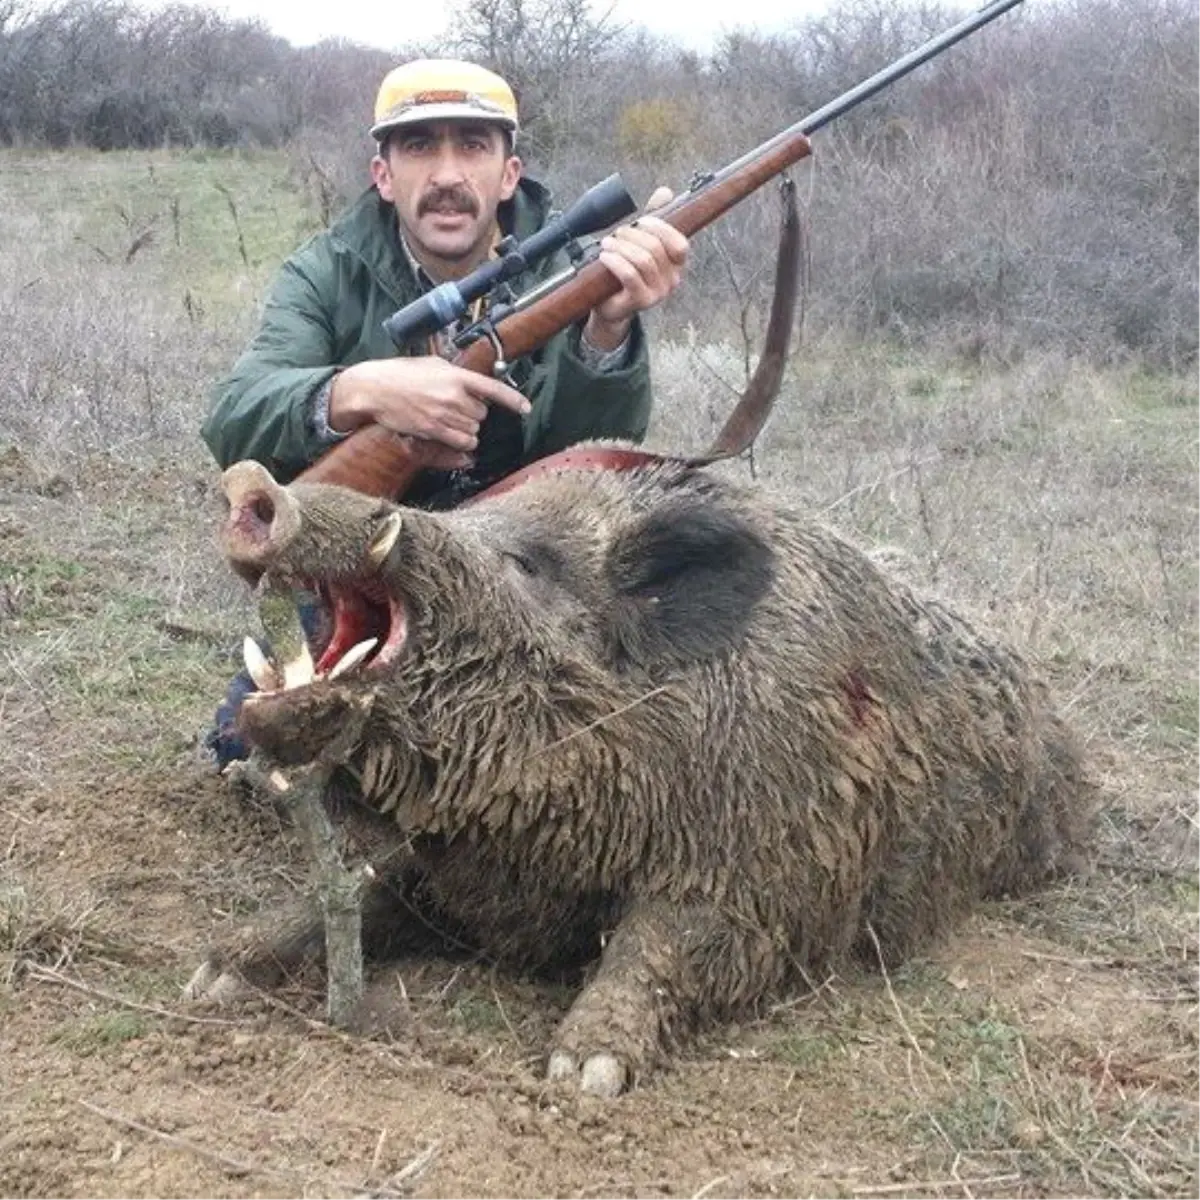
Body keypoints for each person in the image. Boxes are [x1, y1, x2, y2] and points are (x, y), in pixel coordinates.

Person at [200, 58, 690, 767]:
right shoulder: (325, 272)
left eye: (473, 145)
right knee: (242, 750)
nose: (448, 175)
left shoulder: (566, 273)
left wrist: (605, 332)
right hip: (364, 564)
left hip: (521, 569)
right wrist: (361, 390)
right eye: (421, 146)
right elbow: (234, 416)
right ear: (384, 175)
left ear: (509, 173)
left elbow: (588, 461)